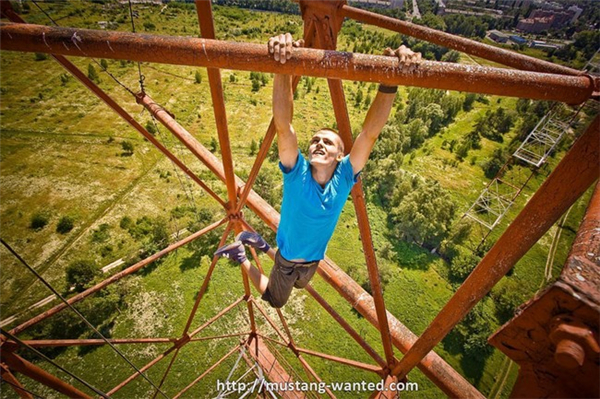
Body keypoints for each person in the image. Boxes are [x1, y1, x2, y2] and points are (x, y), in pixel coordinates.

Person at [215, 33, 421, 308]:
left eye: (328, 141)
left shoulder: (345, 175)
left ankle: (262, 247)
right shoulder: (296, 173)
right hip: (288, 261)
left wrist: (390, 81)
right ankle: (242, 254)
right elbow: (283, 125)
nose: (318, 143)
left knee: (300, 284)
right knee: (276, 299)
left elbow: (369, 134)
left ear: (340, 154)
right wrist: (283, 64)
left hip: (313, 261)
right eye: (315, 140)